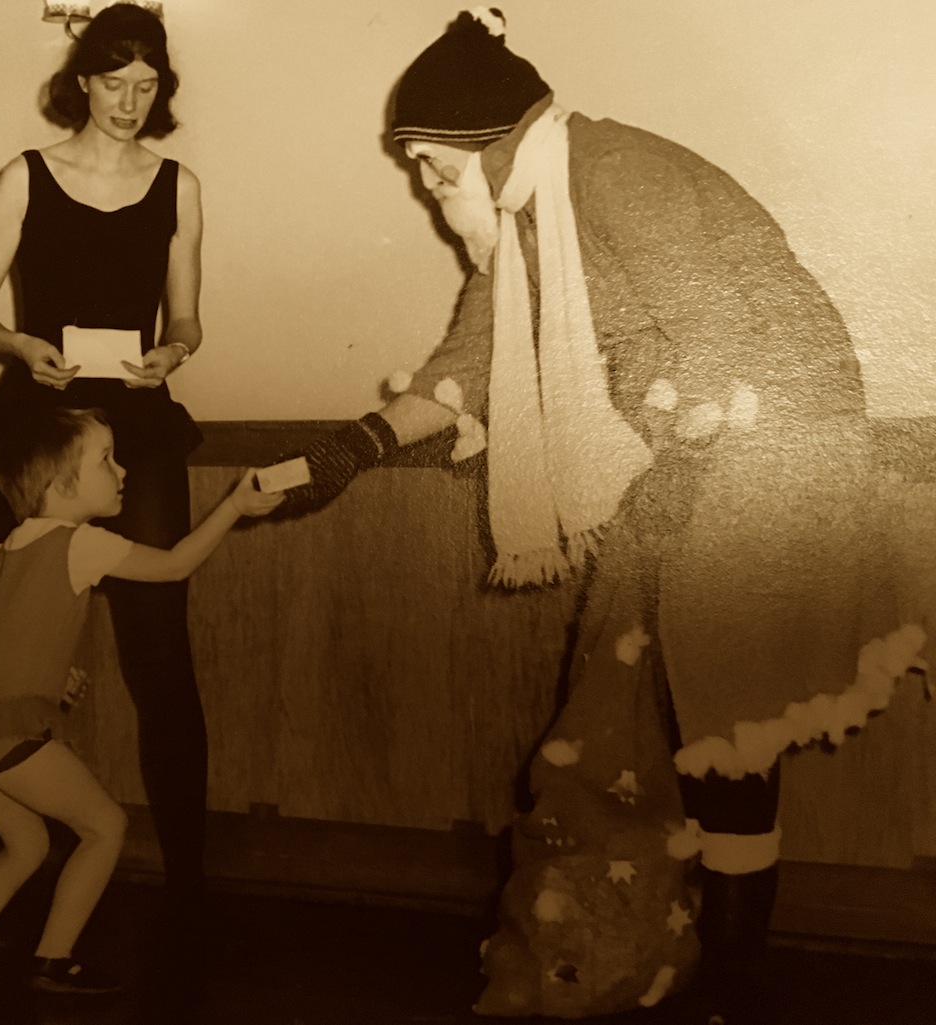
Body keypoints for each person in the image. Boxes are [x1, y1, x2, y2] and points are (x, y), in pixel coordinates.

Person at [278, 9, 926, 1024]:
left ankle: (734, 987)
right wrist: (356, 446)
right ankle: (699, 962)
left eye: (433, 165)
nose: (427, 185)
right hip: (696, 462)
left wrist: (693, 460)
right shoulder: (534, 215)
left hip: (772, 451)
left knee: (726, 726)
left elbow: (718, 326)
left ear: (489, 142)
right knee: (688, 726)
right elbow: (472, 360)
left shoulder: (616, 173)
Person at [0, 2, 214, 940]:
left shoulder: (178, 185)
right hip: (36, 423)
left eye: (147, 86)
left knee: (160, 653)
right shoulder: (24, 176)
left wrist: (174, 351)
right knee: (10, 652)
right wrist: (21, 346)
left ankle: (191, 883)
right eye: (114, 83)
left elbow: (187, 317)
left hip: (137, 427)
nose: (130, 103)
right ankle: (19, 864)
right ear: (83, 83)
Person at [0, 407, 283, 994]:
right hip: (6, 736)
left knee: (25, 846)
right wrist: (234, 506)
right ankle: (53, 960)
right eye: (106, 460)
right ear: (62, 487)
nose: (122, 470)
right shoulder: (80, 543)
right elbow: (174, 566)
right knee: (105, 827)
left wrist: (45, 669)